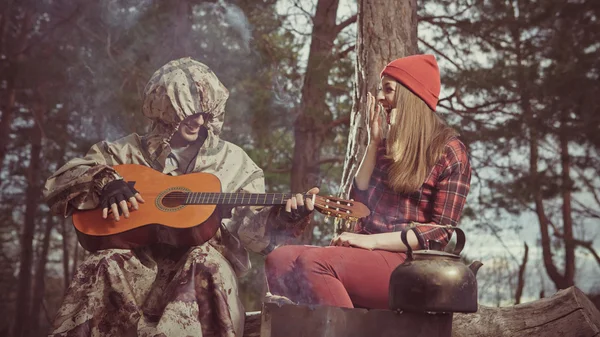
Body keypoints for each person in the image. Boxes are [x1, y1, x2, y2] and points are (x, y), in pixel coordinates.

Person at [43, 57, 318, 337]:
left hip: (201, 272)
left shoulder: (234, 161)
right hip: (135, 269)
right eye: (189, 112)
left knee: (202, 261)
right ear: (164, 108)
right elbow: (59, 184)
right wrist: (103, 181)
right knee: (102, 263)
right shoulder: (125, 153)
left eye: (205, 112)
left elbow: (253, 234)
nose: (199, 120)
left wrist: (281, 218)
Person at [264, 54, 472, 310]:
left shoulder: (450, 152)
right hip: (365, 256)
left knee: (315, 262)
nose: (381, 97)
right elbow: (358, 202)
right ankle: (338, 317)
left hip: (409, 264)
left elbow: (440, 231)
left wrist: (370, 241)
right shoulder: (387, 147)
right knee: (279, 260)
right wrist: (373, 144)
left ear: (411, 97)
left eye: (388, 89)